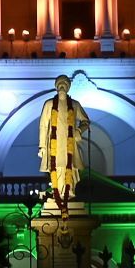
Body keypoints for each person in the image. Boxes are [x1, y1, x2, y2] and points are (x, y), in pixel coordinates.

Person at [38, 74, 91, 218]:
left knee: (70, 168)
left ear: (68, 88)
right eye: (60, 84)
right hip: (54, 144)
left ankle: (70, 193)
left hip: (69, 143)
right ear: (56, 87)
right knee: (57, 168)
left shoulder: (74, 104)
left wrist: (79, 130)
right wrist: (42, 146)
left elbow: (86, 121)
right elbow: (43, 125)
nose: (62, 86)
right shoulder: (49, 104)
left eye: (65, 84)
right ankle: (59, 194)